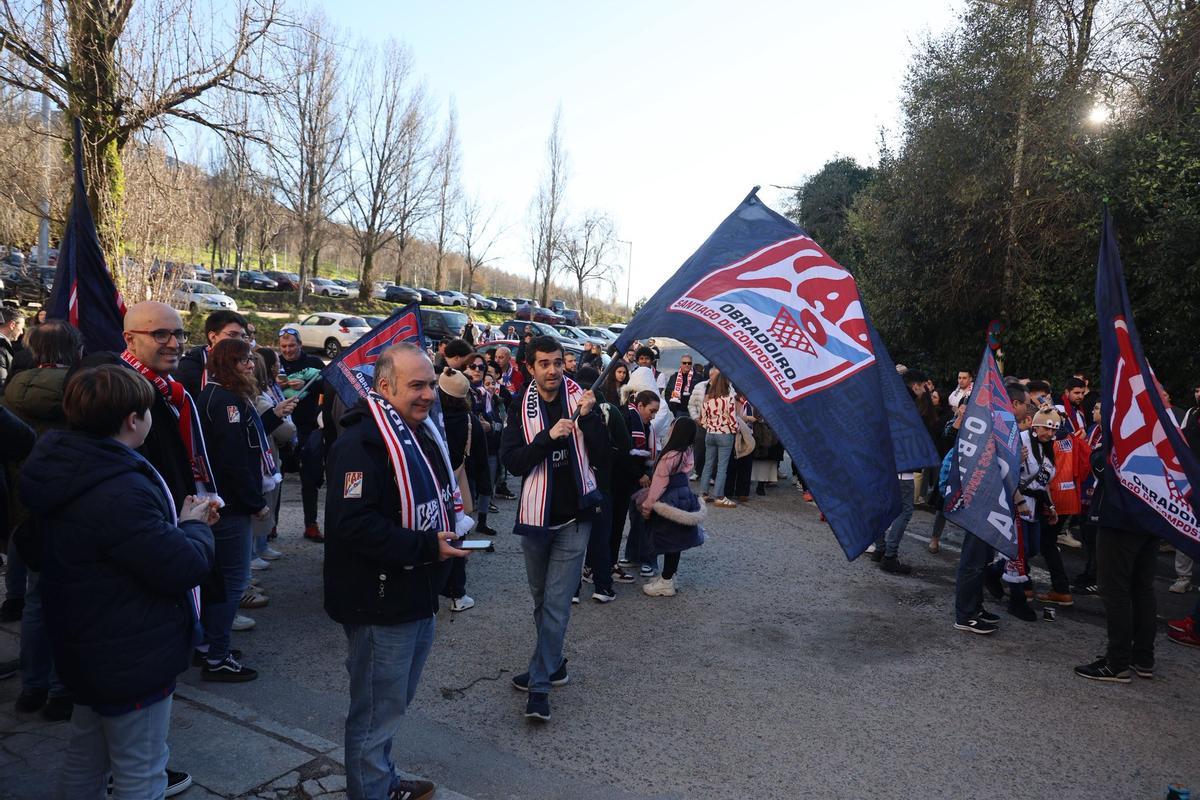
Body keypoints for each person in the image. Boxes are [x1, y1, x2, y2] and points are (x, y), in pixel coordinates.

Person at [20, 365, 216, 800]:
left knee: (86, 756)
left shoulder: (63, 464)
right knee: (141, 772)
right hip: (129, 649)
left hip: (86, 640)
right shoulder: (118, 487)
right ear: (133, 419)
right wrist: (194, 525)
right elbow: (181, 565)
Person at [324, 343, 468, 800]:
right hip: (379, 603)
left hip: (415, 593)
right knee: (374, 710)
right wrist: (428, 545)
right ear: (384, 387)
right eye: (417, 385)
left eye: (430, 384)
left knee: (391, 704)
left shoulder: (418, 432)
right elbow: (353, 525)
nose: (429, 394)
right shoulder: (361, 443)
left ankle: (379, 780)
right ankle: (369, 790)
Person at [499, 335, 605, 722]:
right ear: (530, 367)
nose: (552, 370)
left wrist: (591, 418)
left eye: (558, 362)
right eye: (544, 363)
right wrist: (548, 438)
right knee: (542, 600)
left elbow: (604, 454)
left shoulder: (583, 399)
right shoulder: (518, 406)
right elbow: (512, 461)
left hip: (576, 516)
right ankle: (553, 663)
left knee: (558, 605)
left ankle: (539, 689)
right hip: (535, 518)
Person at [197, 339, 293, 681]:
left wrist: (273, 417)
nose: (250, 365)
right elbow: (233, 459)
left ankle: (210, 645)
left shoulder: (226, 397)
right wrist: (256, 503)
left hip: (228, 501)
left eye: (250, 359)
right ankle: (217, 656)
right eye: (241, 361)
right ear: (225, 365)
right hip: (232, 505)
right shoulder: (224, 401)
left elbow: (248, 437)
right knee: (232, 581)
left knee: (223, 579)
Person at [2, 321, 83, 719]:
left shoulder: (14, 386)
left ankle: (32, 686)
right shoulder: (79, 389)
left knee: (34, 600)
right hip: (67, 504)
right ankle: (60, 689)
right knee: (65, 601)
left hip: (23, 500)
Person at [635, 416, 706, 597]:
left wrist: (648, 506)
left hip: (669, 499)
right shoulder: (687, 451)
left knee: (667, 539)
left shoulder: (669, 455)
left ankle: (666, 581)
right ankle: (670, 576)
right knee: (677, 540)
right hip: (684, 497)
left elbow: (659, 484)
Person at [438, 367, 490, 612]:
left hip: (430, 486)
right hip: (460, 486)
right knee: (458, 539)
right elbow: (481, 461)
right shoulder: (470, 423)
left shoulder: (426, 417)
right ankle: (457, 594)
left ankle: (430, 593)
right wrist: (484, 491)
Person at [250, 352, 297, 576]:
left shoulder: (267, 392)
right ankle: (251, 553)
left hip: (271, 456)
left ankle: (260, 546)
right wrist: (285, 420)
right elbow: (285, 430)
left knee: (270, 501)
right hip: (265, 458)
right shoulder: (259, 399)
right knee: (261, 504)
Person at [278, 325, 327, 542]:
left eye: (292, 346)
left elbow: (327, 388)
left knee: (310, 477)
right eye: (284, 346)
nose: (288, 350)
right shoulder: (275, 363)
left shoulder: (313, 364)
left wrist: (312, 386)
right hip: (281, 426)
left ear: (300, 345)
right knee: (276, 478)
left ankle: (311, 524)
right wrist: (282, 384)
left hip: (308, 427)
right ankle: (271, 525)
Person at [173, 310, 249, 398]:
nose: (240, 341)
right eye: (232, 334)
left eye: (243, 336)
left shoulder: (246, 365)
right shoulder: (188, 366)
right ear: (213, 337)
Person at [697, 367, 738, 508]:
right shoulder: (729, 399)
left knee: (708, 464)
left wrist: (710, 426)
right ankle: (719, 496)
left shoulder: (708, 398)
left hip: (710, 433)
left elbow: (702, 419)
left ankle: (703, 493)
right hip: (725, 434)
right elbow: (732, 419)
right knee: (722, 467)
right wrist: (734, 430)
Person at [0, 306, 26, 391]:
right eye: (21, 328)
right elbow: (2, 384)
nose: (22, 332)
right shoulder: (1, 348)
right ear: (12, 325)